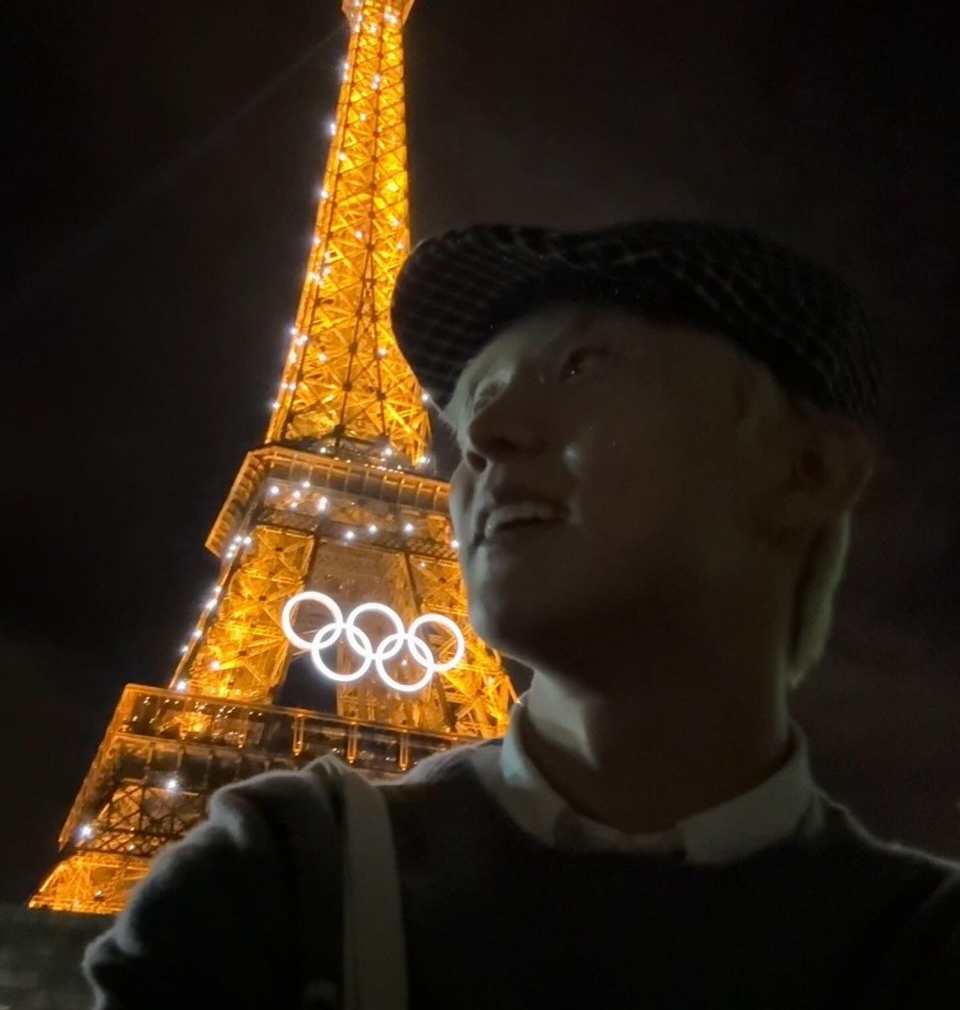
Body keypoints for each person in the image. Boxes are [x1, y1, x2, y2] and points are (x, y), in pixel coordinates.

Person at [84, 218, 959, 1008]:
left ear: (807, 469)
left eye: (582, 364)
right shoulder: (269, 875)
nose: (483, 433)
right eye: (471, 403)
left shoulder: (929, 947)